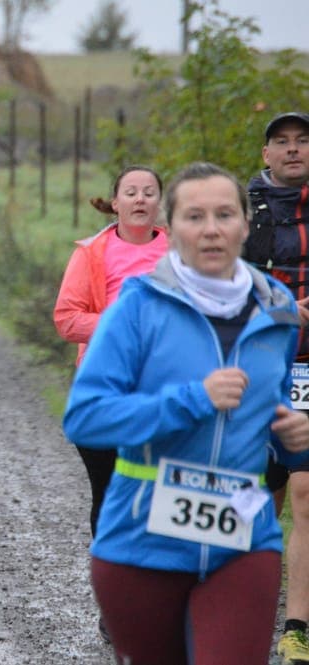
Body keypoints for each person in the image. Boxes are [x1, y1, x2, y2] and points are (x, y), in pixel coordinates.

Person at [63, 161, 309, 665]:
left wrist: (291, 434)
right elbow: (85, 417)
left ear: (246, 224)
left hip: (242, 537)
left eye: (225, 214)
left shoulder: (278, 307)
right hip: (143, 539)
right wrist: (193, 399)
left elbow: (273, 405)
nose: (211, 228)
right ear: (171, 229)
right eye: (195, 216)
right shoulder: (136, 307)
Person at [53, 165, 166, 644]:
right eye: (131, 192)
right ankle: (116, 602)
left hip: (164, 394)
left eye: (149, 192)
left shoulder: (178, 252)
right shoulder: (92, 252)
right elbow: (66, 319)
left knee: (160, 498)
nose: (140, 199)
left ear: (159, 202)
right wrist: (122, 325)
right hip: (104, 391)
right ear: (116, 202)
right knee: (112, 497)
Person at [241, 111, 309, 665]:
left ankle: (297, 630)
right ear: (266, 154)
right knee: (262, 496)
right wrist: (281, 308)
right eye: (281, 142)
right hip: (259, 368)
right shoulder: (242, 211)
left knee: (306, 496)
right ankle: (243, 616)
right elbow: (219, 287)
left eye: (303, 141)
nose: (292, 150)